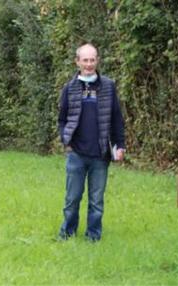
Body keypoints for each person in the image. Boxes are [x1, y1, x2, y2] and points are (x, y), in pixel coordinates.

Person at [57, 43, 126, 242]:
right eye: (85, 60)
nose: (89, 64)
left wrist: (119, 145)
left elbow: (116, 120)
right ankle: (67, 233)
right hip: (76, 154)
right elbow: (62, 119)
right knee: (72, 199)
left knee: (96, 201)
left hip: (100, 155)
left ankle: (93, 236)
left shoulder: (108, 86)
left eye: (92, 60)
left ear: (97, 61)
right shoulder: (69, 88)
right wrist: (65, 138)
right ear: (77, 62)